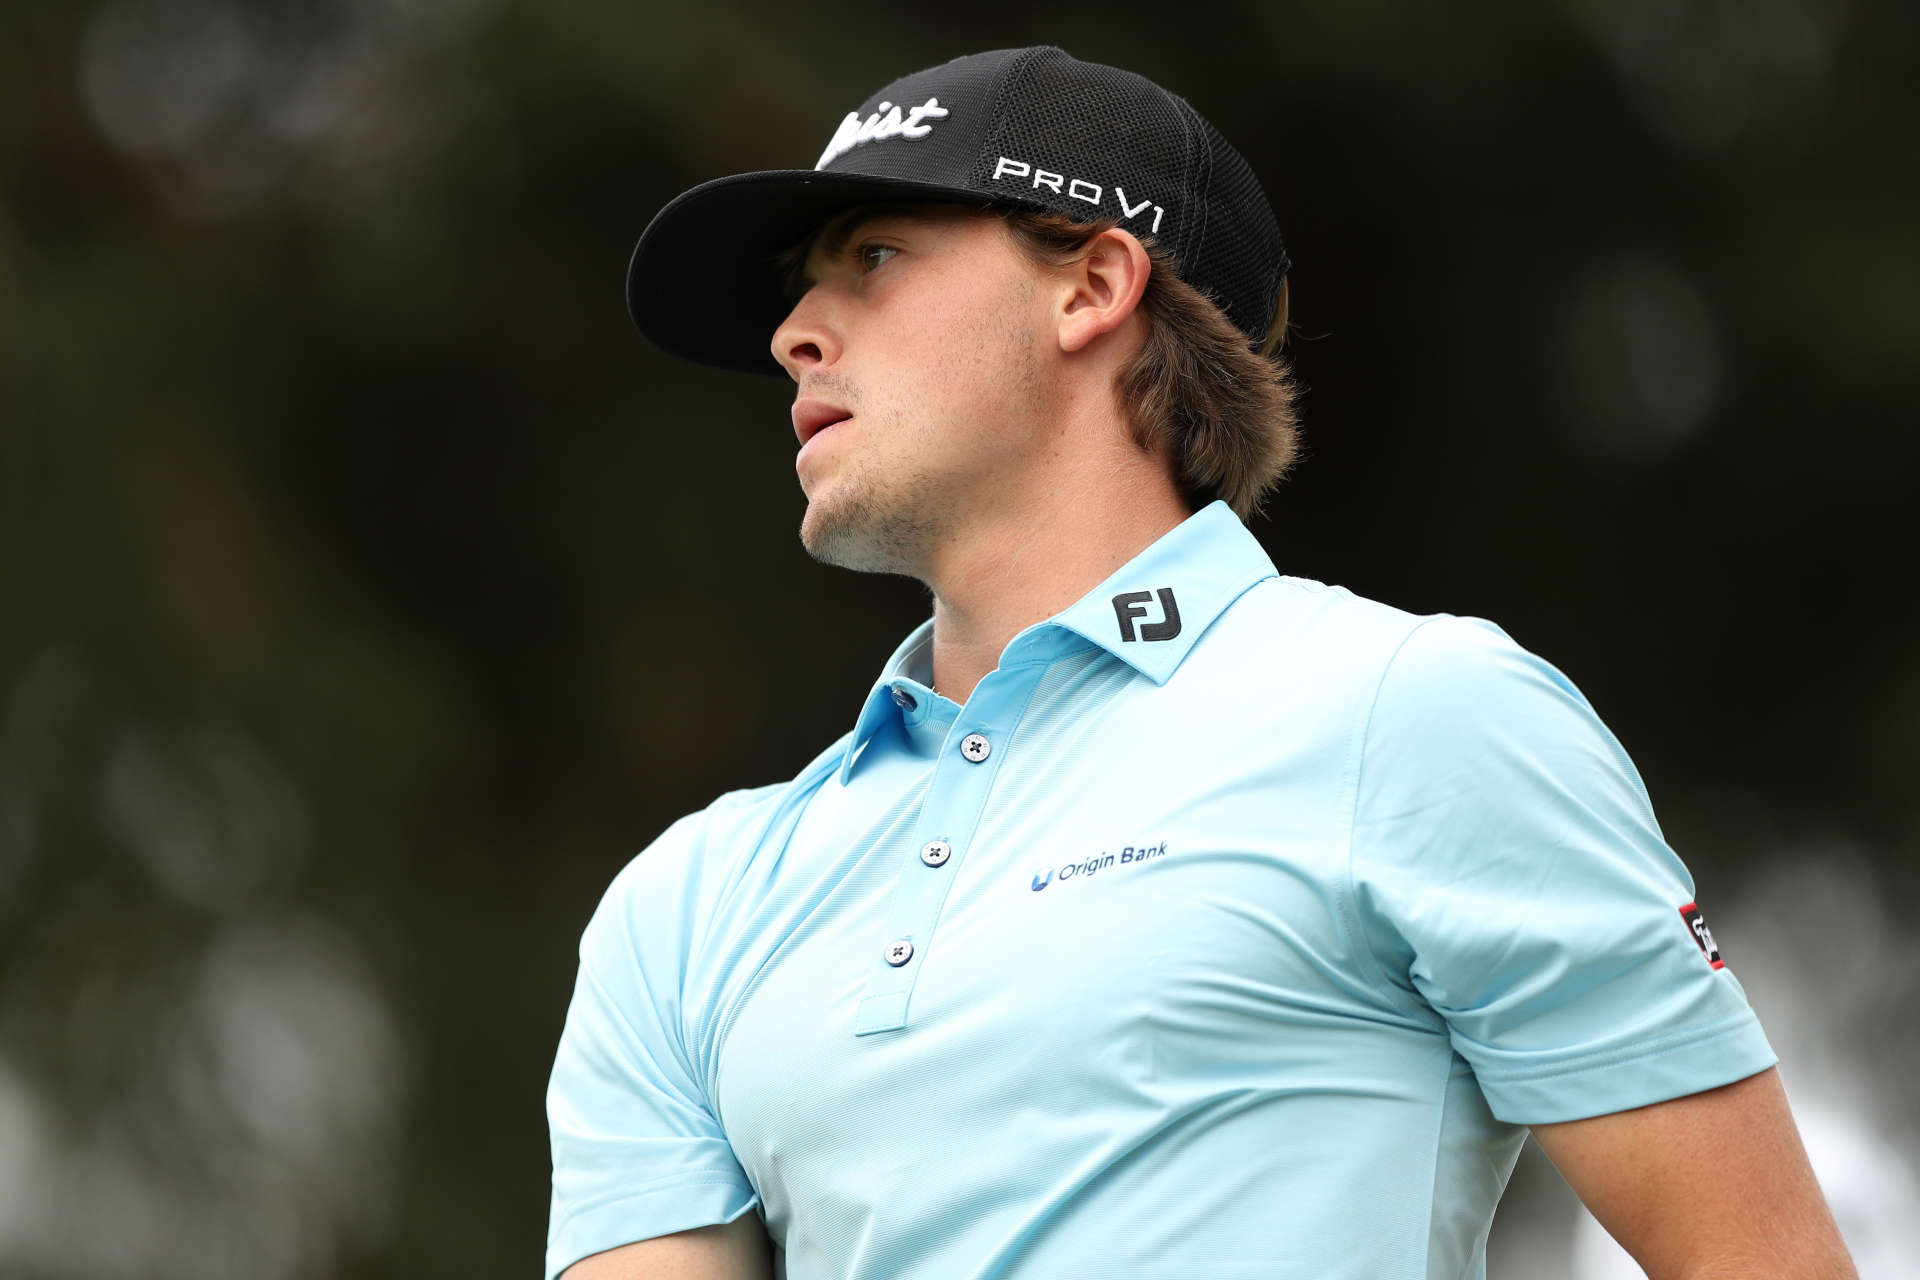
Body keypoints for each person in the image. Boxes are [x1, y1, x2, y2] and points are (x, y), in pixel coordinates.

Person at [546, 47, 1855, 1280]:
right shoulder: (680, 911)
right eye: (801, 285)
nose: (794, 331)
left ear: (1092, 287)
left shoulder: (1416, 716)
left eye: (874, 257)